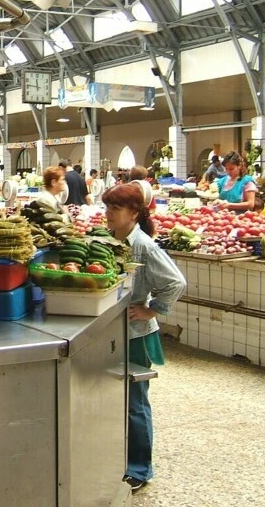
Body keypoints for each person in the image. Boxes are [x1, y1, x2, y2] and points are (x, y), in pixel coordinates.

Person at [102, 183, 186, 494]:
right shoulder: (109, 239)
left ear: (134, 213)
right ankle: (118, 459)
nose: (108, 214)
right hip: (111, 332)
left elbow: (176, 282)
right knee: (115, 399)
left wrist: (152, 310)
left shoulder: (145, 247)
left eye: (115, 209)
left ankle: (140, 469)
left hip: (135, 335)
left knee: (135, 404)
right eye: (107, 207)